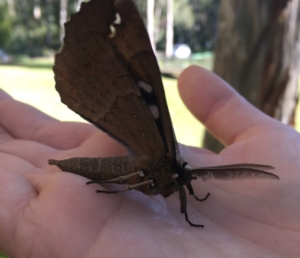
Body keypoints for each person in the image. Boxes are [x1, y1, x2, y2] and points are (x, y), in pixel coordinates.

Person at [0, 65, 298, 257]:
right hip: (118, 168)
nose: (185, 185)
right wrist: (117, 187)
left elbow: (184, 182)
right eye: (187, 184)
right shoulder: (167, 166)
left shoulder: (178, 176)